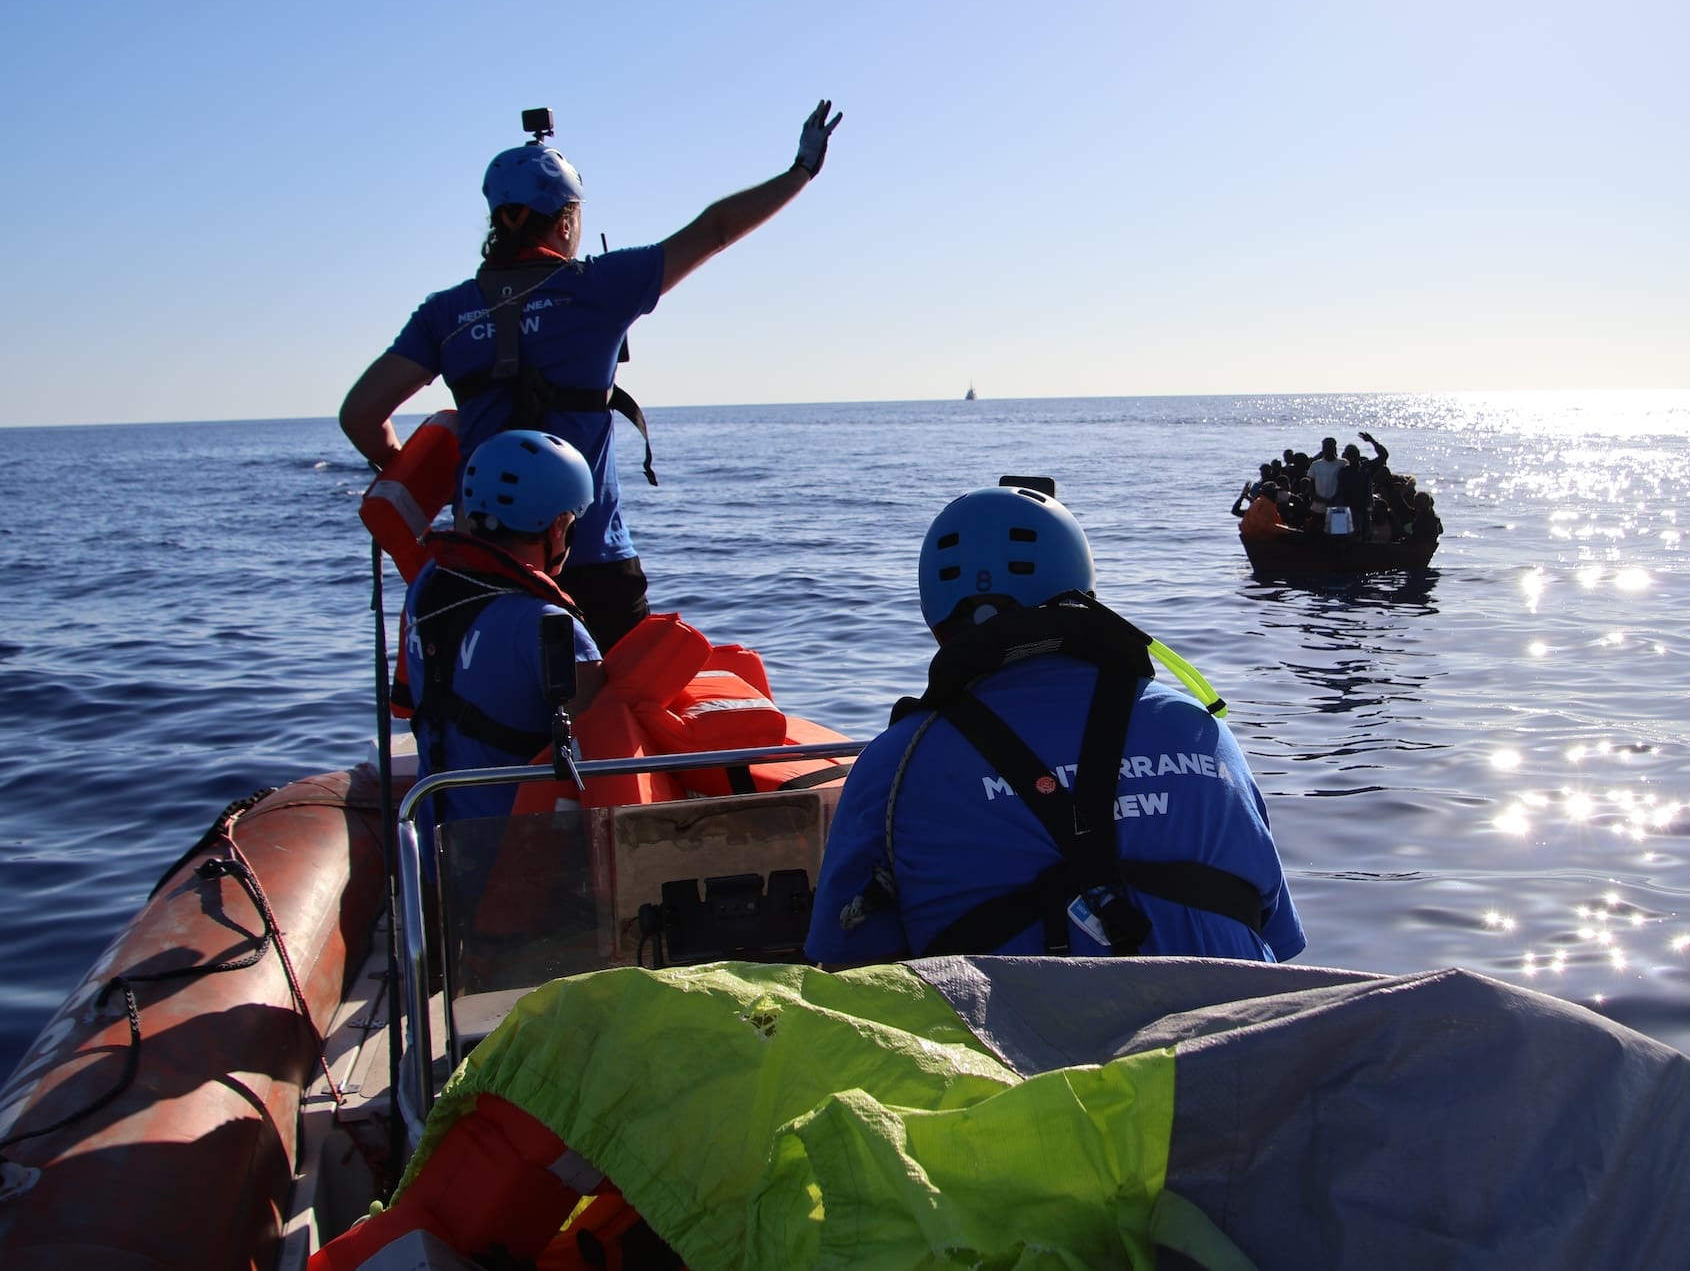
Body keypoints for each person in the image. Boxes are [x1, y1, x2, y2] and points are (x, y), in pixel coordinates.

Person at [343, 101, 844, 650]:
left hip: (482, 563)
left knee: (492, 714)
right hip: (592, 561)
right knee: (611, 719)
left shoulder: (444, 314)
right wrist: (801, 171)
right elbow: (716, 230)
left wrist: (413, 470)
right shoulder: (600, 286)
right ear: (565, 221)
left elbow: (362, 416)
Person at [806, 485, 1307, 966]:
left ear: (932, 616)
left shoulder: (894, 765)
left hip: (1011, 1052)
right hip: (1235, 1042)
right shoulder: (1202, 731)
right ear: (1083, 589)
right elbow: (1275, 936)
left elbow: (850, 965)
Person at [402, 430, 604, 837]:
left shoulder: (426, 586)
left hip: (431, 846)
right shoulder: (551, 627)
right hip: (513, 861)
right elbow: (599, 749)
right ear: (560, 525)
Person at [1236, 481, 1303, 540]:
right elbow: (1267, 526)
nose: (1275, 494)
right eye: (1273, 492)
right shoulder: (1266, 505)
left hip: (1251, 534)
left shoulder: (1258, 502)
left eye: (1275, 492)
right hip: (1261, 536)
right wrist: (1290, 530)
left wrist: (1243, 496)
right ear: (1267, 493)